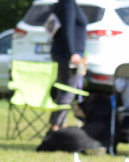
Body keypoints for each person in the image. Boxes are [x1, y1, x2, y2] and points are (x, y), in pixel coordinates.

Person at [49, 0, 88, 131]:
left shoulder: (63, 3)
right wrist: (72, 53)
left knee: (64, 90)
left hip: (63, 53)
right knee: (68, 91)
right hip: (68, 55)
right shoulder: (68, 4)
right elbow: (68, 29)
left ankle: (61, 124)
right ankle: (55, 127)